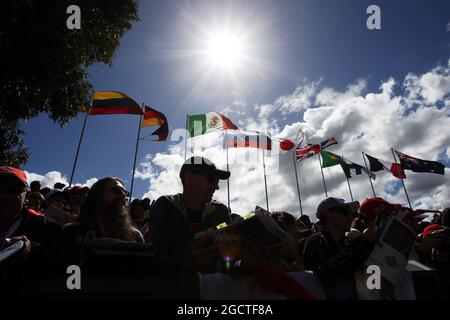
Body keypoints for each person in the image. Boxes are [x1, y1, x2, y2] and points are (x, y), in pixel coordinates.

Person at [149, 156, 232, 273]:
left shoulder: (221, 211)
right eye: (211, 179)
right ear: (188, 178)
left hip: (214, 289)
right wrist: (184, 261)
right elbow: (153, 261)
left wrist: (245, 262)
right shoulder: (165, 206)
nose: (216, 187)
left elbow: (230, 263)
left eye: (217, 182)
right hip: (175, 289)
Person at [0, 166, 63, 290]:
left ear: (27, 195)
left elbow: (62, 264)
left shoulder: (47, 228)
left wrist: (30, 250)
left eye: (13, 190)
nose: (4, 196)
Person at [302, 197, 376, 299]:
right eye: (345, 212)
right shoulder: (316, 241)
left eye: (352, 214)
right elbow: (326, 275)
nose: (351, 217)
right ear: (328, 214)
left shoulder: (345, 243)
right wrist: (364, 242)